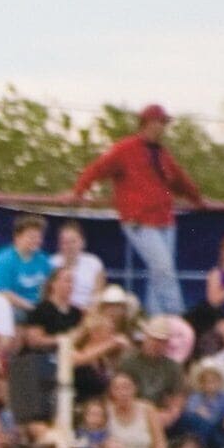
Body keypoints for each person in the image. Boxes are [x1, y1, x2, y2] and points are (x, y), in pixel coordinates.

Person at [71, 102, 208, 319]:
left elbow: (180, 180)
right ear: (146, 123)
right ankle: (179, 319)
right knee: (163, 269)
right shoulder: (125, 149)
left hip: (164, 220)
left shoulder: (162, 154)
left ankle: (155, 323)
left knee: (159, 273)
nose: (162, 127)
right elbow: (98, 168)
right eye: (159, 122)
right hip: (139, 220)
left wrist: (197, 199)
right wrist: (79, 191)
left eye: (164, 123)